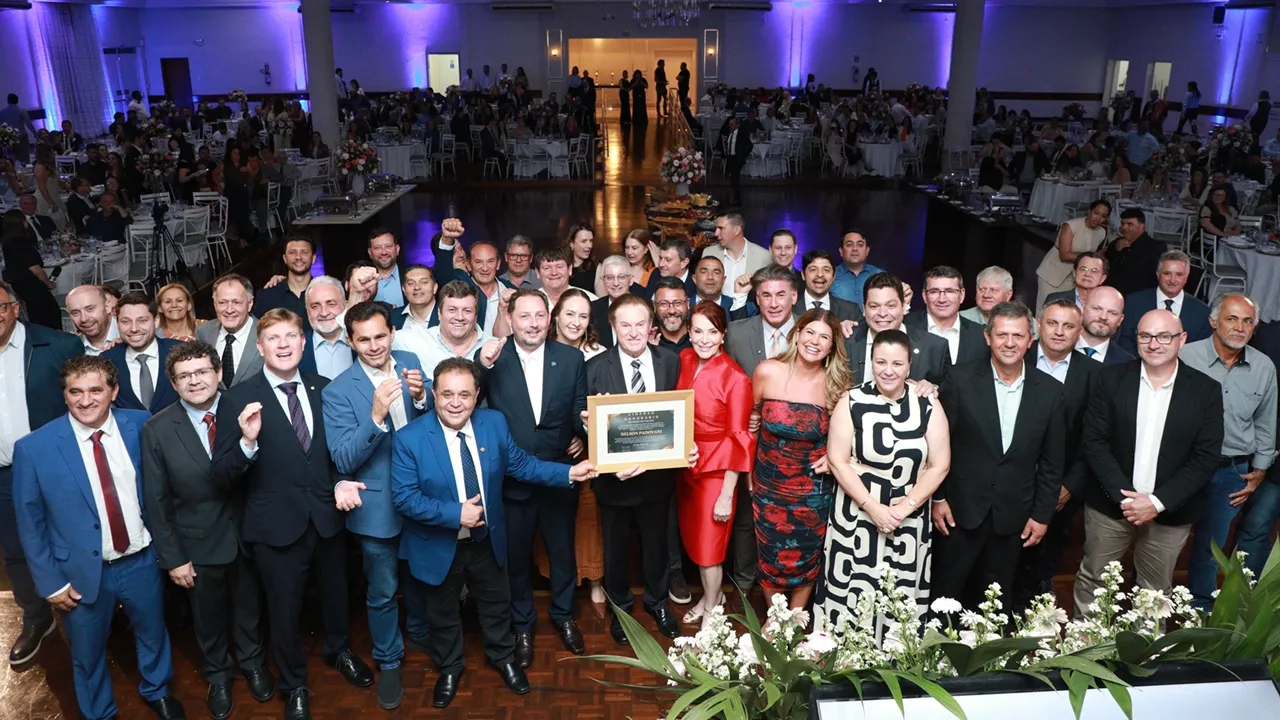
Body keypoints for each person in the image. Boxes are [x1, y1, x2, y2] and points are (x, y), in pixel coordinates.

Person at [391, 358, 597, 707]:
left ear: (476, 396)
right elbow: (404, 498)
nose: (455, 403)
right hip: (438, 545)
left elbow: (521, 464)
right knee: (442, 615)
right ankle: (450, 668)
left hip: (487, 539)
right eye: (447, 394)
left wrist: (567, 474)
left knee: (496, 606)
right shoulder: (410, 438)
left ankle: (503, 658)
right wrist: (456, 514)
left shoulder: (493, 423)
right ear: (434, 394)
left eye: (464, 395)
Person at [211, 309, 374, 720]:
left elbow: (337, 453)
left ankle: (339, 650)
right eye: (274, 338)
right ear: (260, 347)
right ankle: (294, 683)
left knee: (337, 596)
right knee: (283, 611)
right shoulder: (237, 398)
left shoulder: (324, 388)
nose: (283, 345)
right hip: (275, 526)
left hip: (327, 518)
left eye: (291, 336)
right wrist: (247, 442)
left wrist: (342, 480)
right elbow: (221, 474)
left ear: (303, 343)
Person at [13, 356, 186, 720]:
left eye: (95, 390)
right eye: (75, 392)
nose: (85, 400)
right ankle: (99, 712)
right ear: (64, 395)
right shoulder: (34, 448)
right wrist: (50, 583)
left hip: (141, 559)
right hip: (78, 573)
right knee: (87, 652)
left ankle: (157, 689)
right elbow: (30, 525)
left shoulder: (141, 425)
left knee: (153, 633)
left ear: (114, 391)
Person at [141, 341, 275, 719]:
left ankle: (253, 663)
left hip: (248, 535)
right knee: (208, 616)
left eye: (202, 372)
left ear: (218, 373)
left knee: (250, 607)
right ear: (173, 383)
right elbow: (156, 500)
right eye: (184, 376)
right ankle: (218, 675)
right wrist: (173, 558)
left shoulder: (243, 410)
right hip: (196, 544)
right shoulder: (157, 429)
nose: (195, 381)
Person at [1074, 309, 1224, 620]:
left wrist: (1156, 503)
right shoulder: (1110, 379)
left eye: (1164, 336)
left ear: (1182, 340)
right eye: (1146, 336)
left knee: (1154, 593)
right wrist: (1127, 500)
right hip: (1110, 507)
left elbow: (1205, 458)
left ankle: (1146, 650)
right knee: (1094, 581)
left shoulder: (1206, 390)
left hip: (1170, 513)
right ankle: (1086, 647)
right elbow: (1094, 442)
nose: (1154, 344)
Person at [321, 301, 431, 709]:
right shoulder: (337, 391)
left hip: (421, 496)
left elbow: (431, 424)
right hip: (376, 506)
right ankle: (389, 659)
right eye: (363, 339)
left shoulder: (410, 362)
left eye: (380, 336)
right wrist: (376, 415)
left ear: (392, 334)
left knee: (421, 576)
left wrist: (423, 397)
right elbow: (343, 458)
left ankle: (420, 634)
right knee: (383, 590)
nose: (374, 346)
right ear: (351, 342)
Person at [478, 290, 589, 664]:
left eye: (540, 315)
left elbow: (577, 411)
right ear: (509, 319)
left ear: (550, 318)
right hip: (513, 480)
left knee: (563, 552)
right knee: (516, 558)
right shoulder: (493, 359)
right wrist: (481, 364)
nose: (533, 323)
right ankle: (522, 625)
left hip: (560, 473)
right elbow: (471, 397)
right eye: (524, 316)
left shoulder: (571, 358)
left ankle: (564, 616)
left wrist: (586, 427)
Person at [816, 329, 951, 638]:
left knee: (899, 598)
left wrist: (903, 509)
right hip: (856, 515)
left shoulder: (928, 404)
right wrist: (872, 507)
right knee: (851, 597)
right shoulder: (851, 400)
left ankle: (897, 659)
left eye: (897, 364)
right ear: (871, 361)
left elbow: (940, 465)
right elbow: (837, 460)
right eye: (881, 362)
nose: (888, 371)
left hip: (909, 518)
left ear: (909, 366)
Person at [931, 302, 1065, 613]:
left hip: (1014, 516)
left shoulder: (1050, 391)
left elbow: (1051, 462)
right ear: (987, 337)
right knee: (944, 599)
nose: (1009, 343)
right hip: (958, 513)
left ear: (1030, 339)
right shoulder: (959, 380)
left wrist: (1042, 515)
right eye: (1002, 334)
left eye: (1017, 335)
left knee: (995, 606)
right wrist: (938, 498)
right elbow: (938, 445)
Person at [584, 295, 688, 644]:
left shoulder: (670, 361)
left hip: (657, 479)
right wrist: (589, 427)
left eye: (640, 324)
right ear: (613, 327)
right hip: (614, 482)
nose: (633, 332)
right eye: (625, 325)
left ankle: (658, 604)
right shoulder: (594, 367)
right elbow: (580, 419)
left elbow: (677, 414)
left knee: (657, 548)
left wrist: (684, 444)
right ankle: (621, 610)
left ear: (651, 326)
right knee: (615, 552)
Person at [0, 281, 82, 666]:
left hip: (56, 469)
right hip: (3, 476)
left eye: (0, 307)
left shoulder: (59, 346)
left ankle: (92, 613)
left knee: (75, 542)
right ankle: (37, 618)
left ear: (15, 308)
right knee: (16, 551)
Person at [1180, 294, 1276, 612]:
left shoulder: (1263, 367)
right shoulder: (1185, 356)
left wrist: (1259, 470)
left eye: (1247, 321)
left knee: (1212, 547)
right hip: (1183, 467)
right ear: (1213, 321)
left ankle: (1201, 612)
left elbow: (1266, 422)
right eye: (1232, 319)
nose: (1239, 327)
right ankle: (1154, 608)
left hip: (1231, 471)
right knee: (1165, 540)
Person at [751, 309, 853, 609]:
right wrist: (746, 475)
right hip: (768, 485)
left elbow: (847, 436)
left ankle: (796, 618)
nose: (814, 341)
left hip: (813, 490)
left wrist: (832, 457)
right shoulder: (767, 371)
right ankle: (776, 618)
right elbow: (751, 421)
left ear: (832, 346)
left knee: (808, 555)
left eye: (824, 337)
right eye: (809, 332)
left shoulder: (838, 386)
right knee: (769, 553)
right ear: (796, 334)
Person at [1011, 299, 1099, 608]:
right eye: (1052, 323)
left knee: (1047, 550)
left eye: (1068, 326)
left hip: (1062, 483)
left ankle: (1037, 600)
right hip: (1012, 478)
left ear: (1079, 332)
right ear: (1038, 325)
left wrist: (1070, 486)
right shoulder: (1014, 357)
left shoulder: (1094, 374)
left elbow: (1094, 438)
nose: (1059, 332)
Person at [675, 302, 755, 629]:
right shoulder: (684, 359)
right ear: (689, 332)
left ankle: (711, 610)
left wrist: (726, 494)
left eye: (712, 332)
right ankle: (713, 596)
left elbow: (739, 439)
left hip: (718, 475)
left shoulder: (736, 378)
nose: (704, 339)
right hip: (686, 469)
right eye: (698, 331)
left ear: (723, 335)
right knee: (695, 543)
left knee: (710, 550)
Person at [845, 272, 952, 387]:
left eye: (890, 306)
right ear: (864, 309)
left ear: (904, 307)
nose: (882, 313)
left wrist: (932, 389)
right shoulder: (844, 342)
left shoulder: (934, 347)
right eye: (874, 306)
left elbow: (949, 393)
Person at [1116, 250, 1212, 356]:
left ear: (1186, 277)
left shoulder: (1202, 312)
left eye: (1179, 274)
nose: (1172, 280)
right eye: (1167, 274)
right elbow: (1124, 340)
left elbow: (1200, 351)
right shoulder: (1134, 302)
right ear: (1158, 274)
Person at [100, 293, 180, 413]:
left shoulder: (180, 351)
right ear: (117, 323)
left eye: (142, 321)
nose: (134, 329)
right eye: (126, 322)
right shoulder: (107, 359)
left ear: (156, 321)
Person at [906, 265, 988, 366]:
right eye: (934, 291)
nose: (942, 299)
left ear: (962, 295)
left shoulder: (980, 335)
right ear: (924, 296)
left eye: (950, 291)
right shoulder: (906, 326)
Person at [1036, 199, 1111, 309]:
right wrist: (1090, 257)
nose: (1098, 218)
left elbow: (1091, 254)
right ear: (1089, 211)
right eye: (1096, 213)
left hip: (1074, 277)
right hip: (1053, 275)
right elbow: (1064, 255)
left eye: (1103, 216)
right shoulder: (1071, 226)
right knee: (1046, 309)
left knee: (1069, 309)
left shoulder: (1101, 232)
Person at [196, 274, 263, 387]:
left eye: (236, 302)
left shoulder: (266, 333)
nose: (229, 310)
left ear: (250, 304)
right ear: (215, 304)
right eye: (222, 302)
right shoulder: (203, 332)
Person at [0, 210, 60, 329]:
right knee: (49, 313)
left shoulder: (7, 243)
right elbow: (35, 269)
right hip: (32, 284)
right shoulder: (21, 242)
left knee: (35, 313)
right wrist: (48, 283)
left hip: (19, 284)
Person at [1104, 208, 1165, 296]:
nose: (1124, 227)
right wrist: (1115, 249)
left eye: (1130, 224)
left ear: (1142, 226)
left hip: (1139, 295)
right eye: (1122, 224)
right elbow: (1106, 265)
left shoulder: (1156, 247)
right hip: (1111, 294)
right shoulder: (1116, 244)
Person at [796, 250, 863, 323]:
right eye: (813, 269)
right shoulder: (790, 307)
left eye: (826, 270)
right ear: (803, 275)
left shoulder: (851, 311)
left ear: (834, 276)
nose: (820, 274)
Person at [830, 230, 884, 306]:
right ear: (841, 251)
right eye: (849, 245)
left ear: (867, 251)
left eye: (860, 245)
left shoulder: (880, 275)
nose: (855, 248)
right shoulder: (831, 276)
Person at [1042, 252, 1108, 311]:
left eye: (1094, 271)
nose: (1087, 274)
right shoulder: (1055, 299)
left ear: (1102, 278)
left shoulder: (1107, 304)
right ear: (1074, 273)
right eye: (1083, 269)